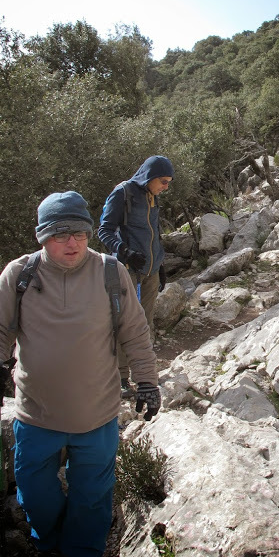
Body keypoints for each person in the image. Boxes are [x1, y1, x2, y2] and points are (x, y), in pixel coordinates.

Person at [0, 191, 160, 557]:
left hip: (96, 412)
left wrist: (148, 381)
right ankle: (50, 548)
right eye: (61, 234)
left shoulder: (111, 273)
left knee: (92, 495)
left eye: (80, 233)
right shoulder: (20, 274)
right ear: (42, 237)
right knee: (35, 492)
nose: (73, 243)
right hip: (35, 412)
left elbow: (135, 333)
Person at [98, 155, 174, 396]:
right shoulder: (123, 193)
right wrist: (125, 252)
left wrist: (160, 264)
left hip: (150, 270)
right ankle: (120, 376)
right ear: (150, 177)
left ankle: (143, 374)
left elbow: (154, 232)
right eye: (163, 181)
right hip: (127, 270)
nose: (166, 187)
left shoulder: (152, 195)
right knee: (123, 323)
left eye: (169, 182)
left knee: (145, 323)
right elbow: (104, 230)